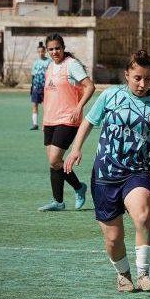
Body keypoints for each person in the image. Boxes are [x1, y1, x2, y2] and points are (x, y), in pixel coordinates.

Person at [64, 51, 150, 292]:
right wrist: (75, 148)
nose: (143, 84)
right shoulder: (110, 95)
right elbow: (89, 121)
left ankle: (144, 274)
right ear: (127, 75)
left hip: (137, 172)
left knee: (142, 216)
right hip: (105, 174)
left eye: (148, 78)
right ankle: (123, 275)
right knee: (113, 238)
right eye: (137, 78)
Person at [38, 33, 95, 212]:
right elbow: (48, 96)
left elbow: (90, 86)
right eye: (51, 49)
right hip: (50, 120)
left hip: (68, 120)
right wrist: (44, 121)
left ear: (63, 48)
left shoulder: (72, 65)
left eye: (57, 48)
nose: (54, 52)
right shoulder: (49, 67)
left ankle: (79, 187)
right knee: (53, 163)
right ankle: (58, 201)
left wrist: (79, 106)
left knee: (55, 159)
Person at [29, 41, 50, 130]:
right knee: (34, 105)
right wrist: (32, 86)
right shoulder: (35, 62)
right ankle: (35, 124)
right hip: (36, 88)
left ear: (45, 52)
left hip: (45, 88)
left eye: (42, 51)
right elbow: (33, 75)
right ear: (37, 52)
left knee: (46, 106)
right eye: (39, 52)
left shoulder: (49, 62)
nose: (41, 53)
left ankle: (46, 123)